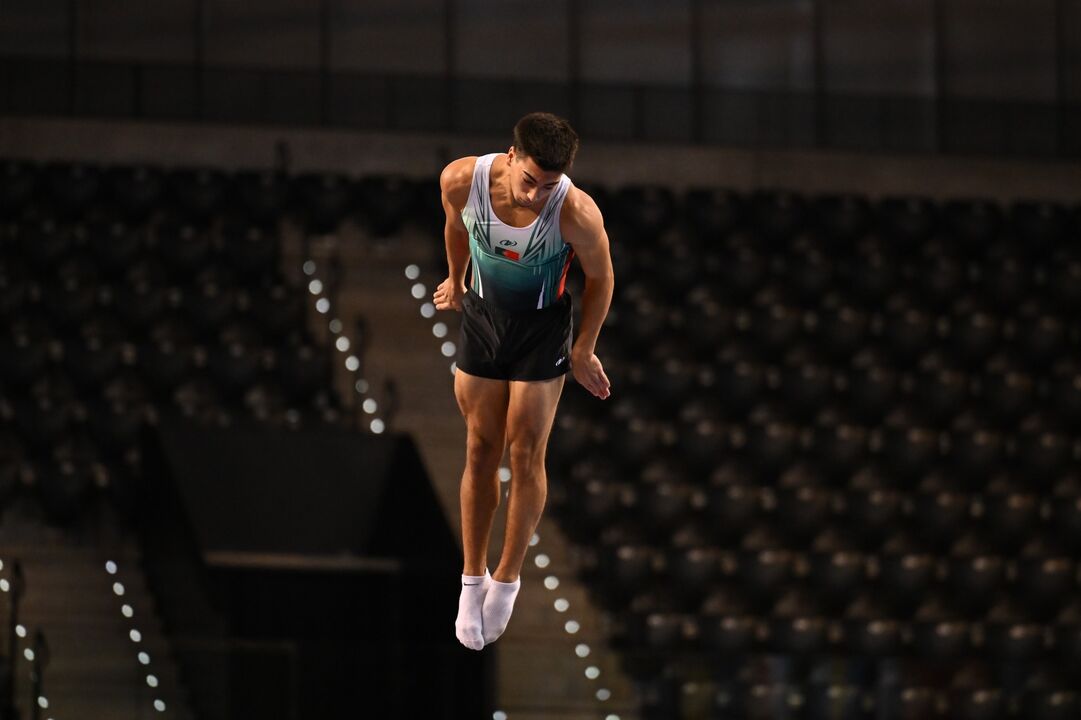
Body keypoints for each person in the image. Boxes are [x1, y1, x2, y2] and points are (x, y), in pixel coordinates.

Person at [433, 112, 614, 651]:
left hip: (541, 329)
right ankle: (471, 580)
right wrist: (455, 277)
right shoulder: (462, 180)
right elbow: (454, 224)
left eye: (548, 186)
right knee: (480, 446)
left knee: (525, 449)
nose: (536, 196)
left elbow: (601, 278)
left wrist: (583, 348)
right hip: (484, 320)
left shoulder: (576, 212)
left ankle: (506, 580)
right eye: (529, 181)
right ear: (510, 157)